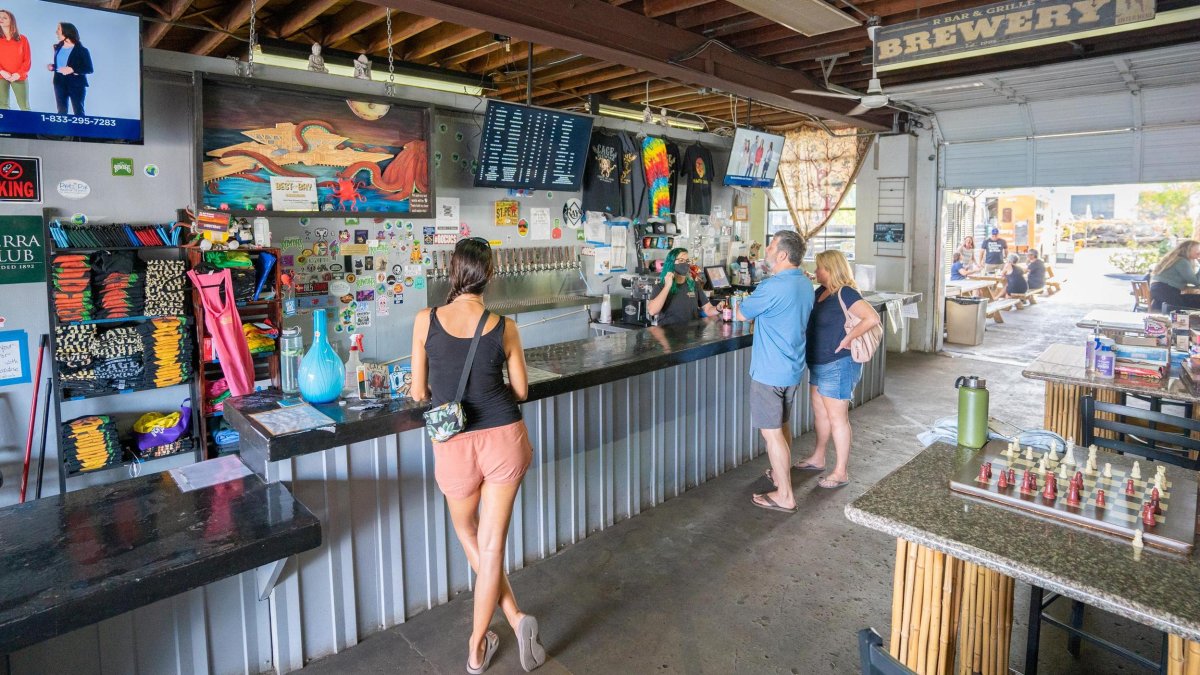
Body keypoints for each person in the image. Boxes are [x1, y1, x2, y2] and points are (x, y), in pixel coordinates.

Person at [409, 238, 548, 674]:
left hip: (453, 444)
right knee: (491, 546)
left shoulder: (425, 320)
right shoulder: (504, 326)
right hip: (504, 437)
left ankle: (479, 641)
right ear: (489, 275)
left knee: (468, 533)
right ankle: (506, 624)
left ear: (453, 273)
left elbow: (418, 392)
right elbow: (522, 390)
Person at [736, 230, 814, 513]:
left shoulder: (772, 287)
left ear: (782, 254)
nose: (766, 250)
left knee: (772, 435)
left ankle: (785, 496)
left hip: (769, 371)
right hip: (792, 366)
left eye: (770, 246)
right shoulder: (805, 284)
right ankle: (781, 475)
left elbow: (742, 313)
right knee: (781, 428)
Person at [790, 251, 882, 489]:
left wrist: (847, 339)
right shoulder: (820, 292)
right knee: (820, 414)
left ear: (831, 269)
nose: (816, 271)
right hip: (818, 362)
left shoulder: (846, 292)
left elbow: (871, 318)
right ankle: (818, 458)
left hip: (839, 363)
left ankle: (841, 471)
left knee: (837, 418)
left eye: (820, 267)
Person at [647, 247, 723, 326]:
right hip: (670, 334)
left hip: (691, 334)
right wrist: (667, 286)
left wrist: (718, 309)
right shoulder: (661, 286)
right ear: (671, 263)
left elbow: (707, 309)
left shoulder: (694, 285)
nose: (685, 263)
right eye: (681, 260)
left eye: (687, 261)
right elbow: (652, 311)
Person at [48, 22, 91, 116]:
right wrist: (53, 67)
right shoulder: (57, 47)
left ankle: (80, 130)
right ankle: (61, 130)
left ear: (66, 32)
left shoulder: (82, 50)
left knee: (78, 111)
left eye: (58, 29)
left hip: (76, 84)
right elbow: (62, 65)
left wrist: (73, 69)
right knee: (61, 112)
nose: (56, 32)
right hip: (59, 82)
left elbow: (89, 68)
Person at [1150, 239, 1200, 311]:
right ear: (1188, 249)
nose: (1199, 251)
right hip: (1166, 291)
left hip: (1158, 290)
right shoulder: (1182, 261)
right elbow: (1196, 282)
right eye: (1197, 249)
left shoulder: (1176, 259)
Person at [0, 10, 31, 111]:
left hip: (19, 76)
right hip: (1, 76)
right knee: (2, 107)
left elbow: (27, 60)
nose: (1, 19)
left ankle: (29, 126)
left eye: (4, 17)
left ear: (11, 21)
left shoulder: (23, 39)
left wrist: (18, 74)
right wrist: (1, 71)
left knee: (25, 107)